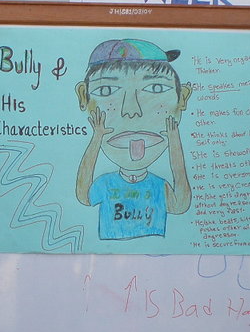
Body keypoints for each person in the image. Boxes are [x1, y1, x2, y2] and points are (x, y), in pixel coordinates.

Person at [75, 38, 191, 240]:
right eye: (106, 90)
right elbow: (83, 195)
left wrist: (174, 139)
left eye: (156, 88)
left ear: (182, 98)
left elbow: (181, 204)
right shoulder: (106, 183)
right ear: (84, 97)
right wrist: (97, 136)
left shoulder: (159, 186)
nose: (131, 111)